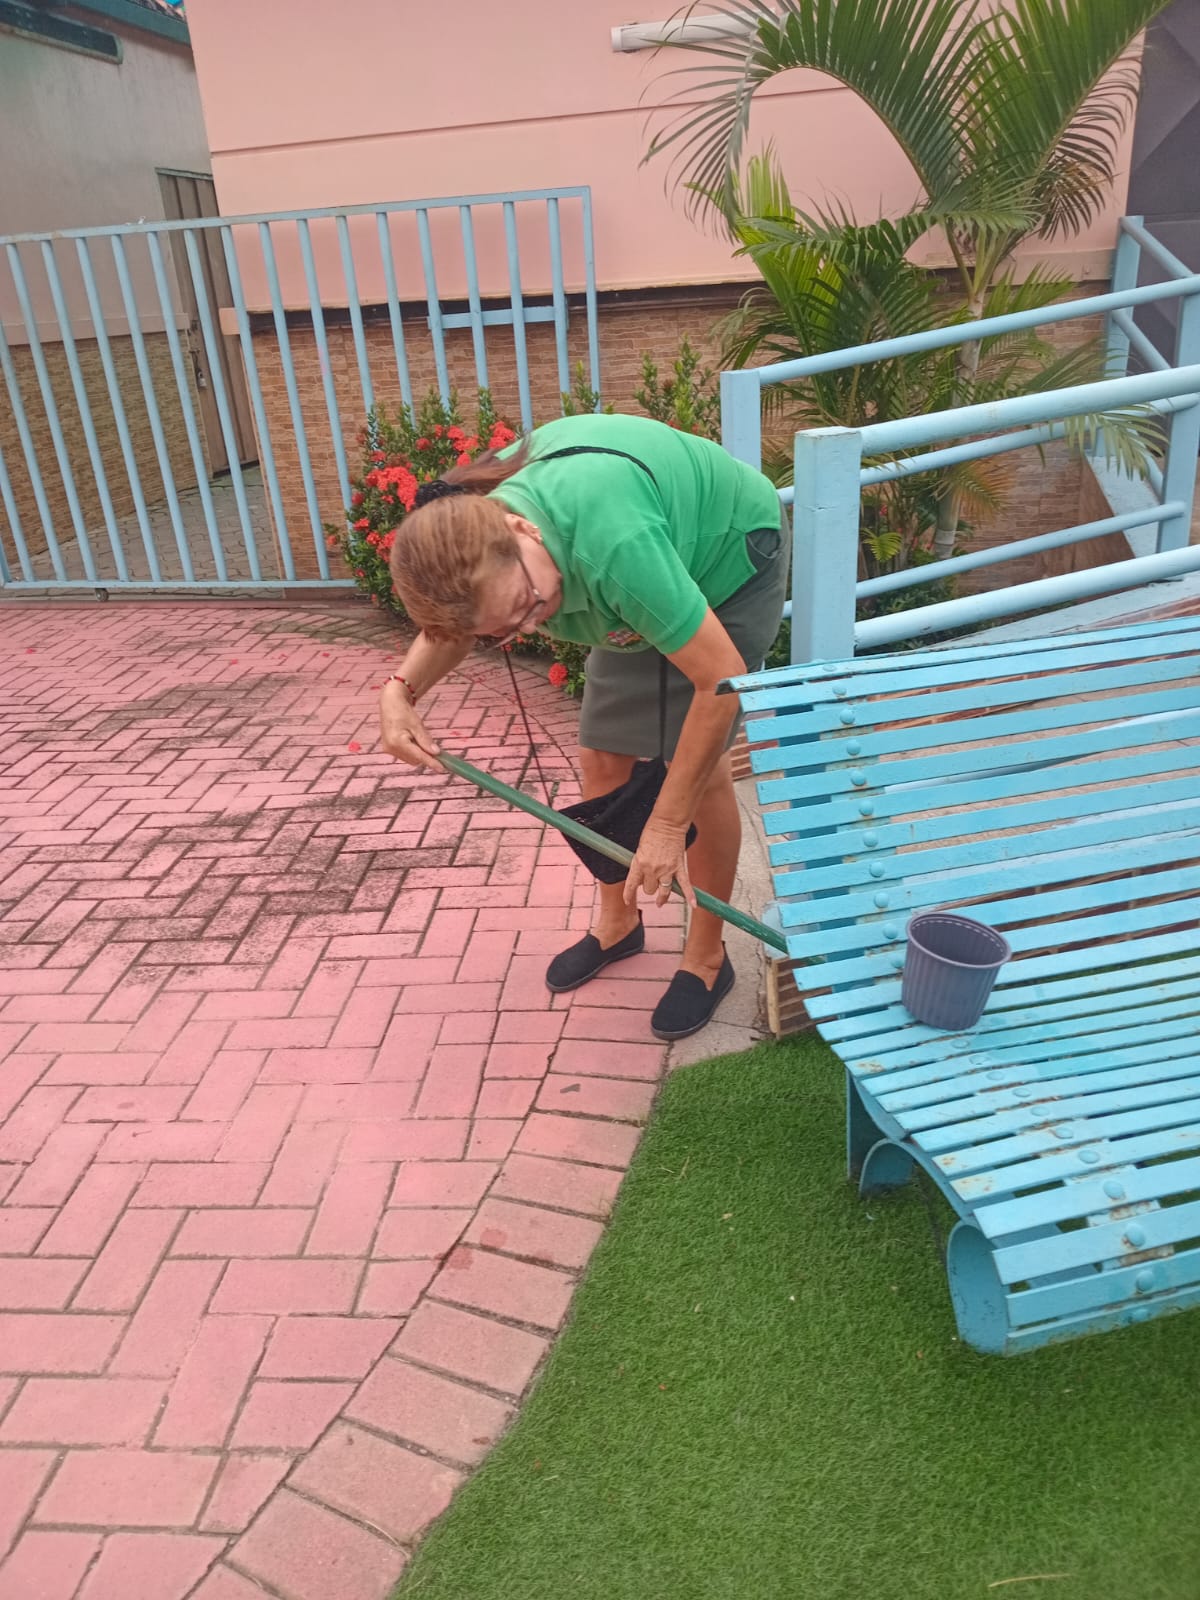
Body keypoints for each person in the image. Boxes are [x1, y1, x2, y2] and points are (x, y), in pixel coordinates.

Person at [378, 411, 788, 1040]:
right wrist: (400, 690)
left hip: (726, 554)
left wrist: (667, 823)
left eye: (528, 608)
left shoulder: (612, 546)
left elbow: (721, 683)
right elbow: (463, 619)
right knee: (602, 754)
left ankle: (707, 957)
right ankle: (619, 923)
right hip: (632, 565)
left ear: (522, 528)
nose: (531, 629)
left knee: (698, 778)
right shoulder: (482, 535)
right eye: (503, 633)